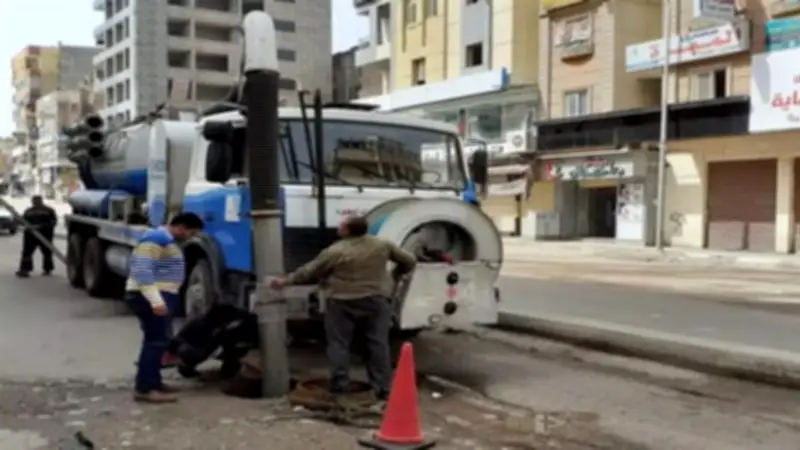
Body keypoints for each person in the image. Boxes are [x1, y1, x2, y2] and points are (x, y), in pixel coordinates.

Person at [271, 215, 417, 402]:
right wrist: (396, 275)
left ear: (347, 230)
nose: (338, 227)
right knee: (377, 344)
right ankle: (383, 389)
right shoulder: (382, 245)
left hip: (342, 302)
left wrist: (285, 281)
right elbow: (410, 261)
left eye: (341, 225)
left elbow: (309, 271)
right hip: (375, 300)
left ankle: (341, 388)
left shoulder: (335, 251)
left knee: (339, 345)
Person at [126, 212, 204, 403]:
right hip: (151, 296)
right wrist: (156, 300)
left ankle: (154, 382)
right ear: (181, 228)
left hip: (161, 294)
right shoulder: (155, 239)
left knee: (159, 340)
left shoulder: (167, 241)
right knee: (155, 342)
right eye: (191, 232)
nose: (191, 237)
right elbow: (143, 271)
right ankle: (145, 388)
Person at [16, 195, 57, 277]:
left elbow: (53, 222)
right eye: (34, 201)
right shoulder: (28, 211)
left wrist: (40, 226)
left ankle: (47, 269)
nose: (35, 203)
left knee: (46, 252)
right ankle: (25, 269)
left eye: (37, 201)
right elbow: (23, 221)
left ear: (41, 201)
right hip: (30, 235)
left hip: (45, 234)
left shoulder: (48, 211)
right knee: (27, 252)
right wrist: (18, 221)